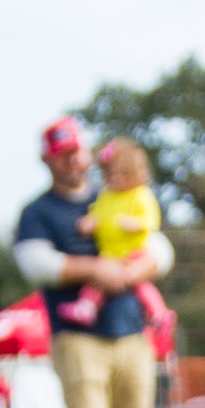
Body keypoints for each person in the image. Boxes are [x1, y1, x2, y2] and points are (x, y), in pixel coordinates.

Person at [11, 117, 174, 408]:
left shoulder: (117, 195)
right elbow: (35, 262)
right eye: (63, 155)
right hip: (77, 333)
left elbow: (158, 245)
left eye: (77, 152)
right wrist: (94, 268)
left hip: (130, 330)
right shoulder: (38, 212)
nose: (73, 162)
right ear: (48, 160)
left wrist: (134, 269)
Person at [64, 138, 163, 327]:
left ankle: (158, 313)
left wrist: (136, 224)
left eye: (121, 176)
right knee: (97, 280)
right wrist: (89, 222)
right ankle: (86, 307)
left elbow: (151, 221)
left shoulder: (141, 195)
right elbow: (98, 212)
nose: (115, 180)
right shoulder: (106, 195)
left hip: (134, 252)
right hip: (109, 254)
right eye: (110, 176)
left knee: (141, 285)